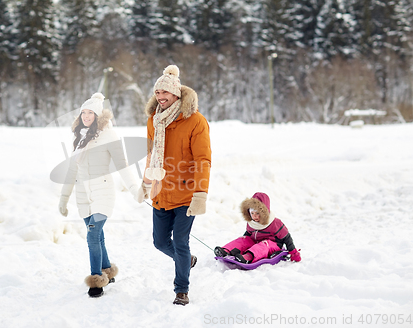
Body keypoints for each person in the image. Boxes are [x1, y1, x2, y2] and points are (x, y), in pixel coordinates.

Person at [138, 65, 211, 306]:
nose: (160, 97)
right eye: (157, 92)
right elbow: (151, 154)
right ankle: (186, 260)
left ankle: (182, 289)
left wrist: (200, 193)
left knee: (180, 241)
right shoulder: (154, 120)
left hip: (186, 193)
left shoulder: (195, 121)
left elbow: (203, 160)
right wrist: (146, 183)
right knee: (160, 242)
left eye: (165, 93)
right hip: (161, 192)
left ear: (176, 94)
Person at [59, 92, 139, 298]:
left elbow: (123, 166)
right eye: (83, 113)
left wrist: (135, 190)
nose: (86, 116)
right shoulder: (80, 138)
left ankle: (96, 281)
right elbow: (72, 171)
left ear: (97, 115)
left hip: (103, 192)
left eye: (90, 113)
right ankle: (107, 270)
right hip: (83, 195)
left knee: (93, 235)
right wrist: (64, 198)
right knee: (98, 235)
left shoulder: (109, 136)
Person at [214, 192, 301, 264]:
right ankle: (226, 250)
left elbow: (287, 238)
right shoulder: (251, 223)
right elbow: (248, 234)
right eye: (252, 213)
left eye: (257, 213)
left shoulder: (275, 223)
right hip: (256, 242)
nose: (254, 216)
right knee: (244, 239)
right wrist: (243, 243)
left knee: (264, 244)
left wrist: (294, 253)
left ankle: (248, 257)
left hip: (272, 245)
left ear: (264, 213)